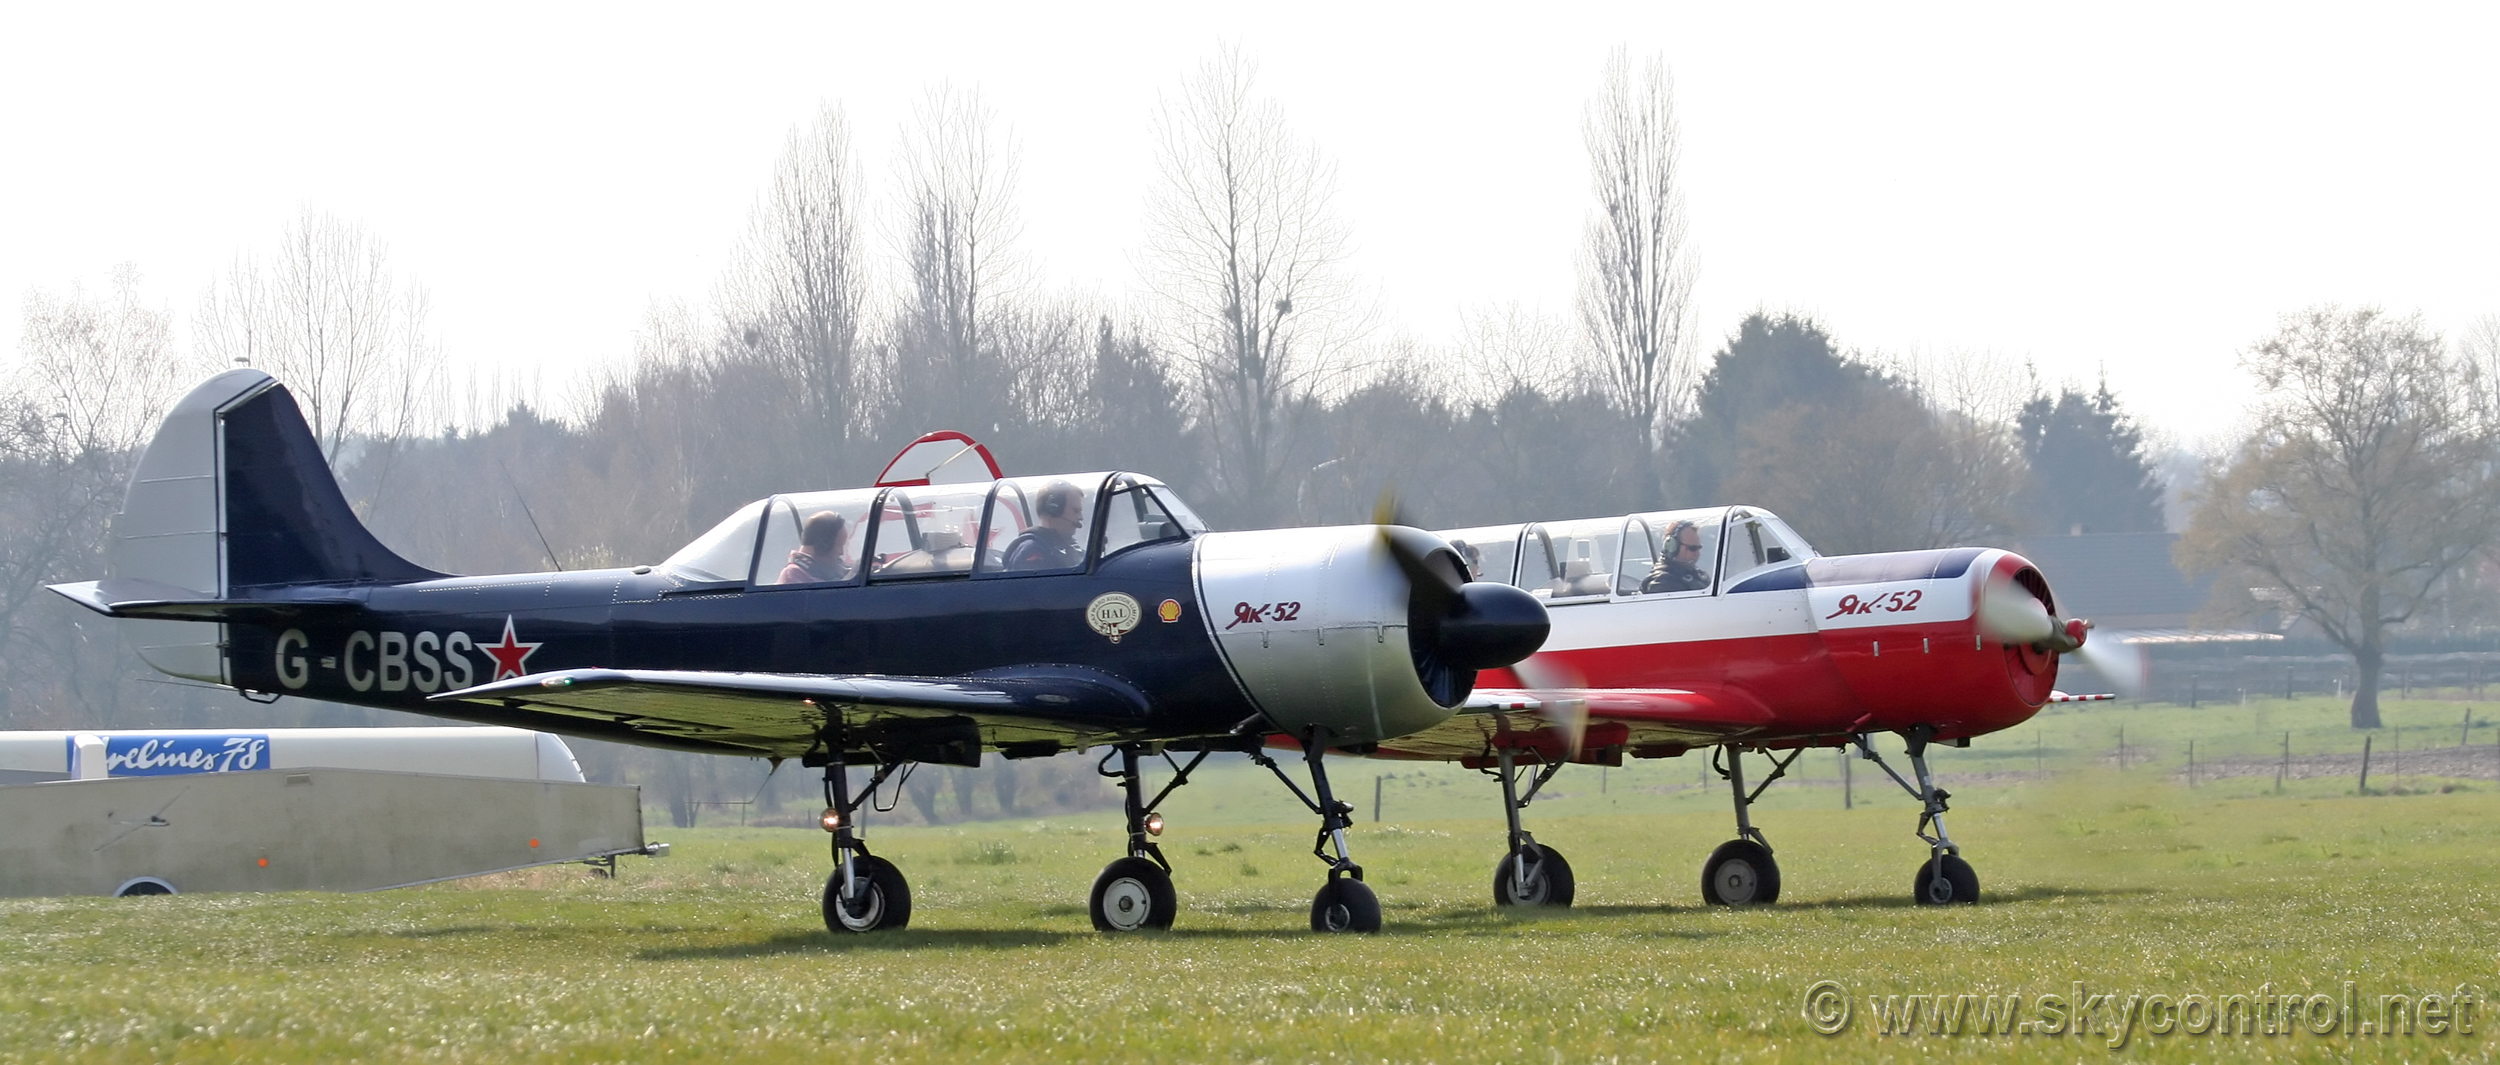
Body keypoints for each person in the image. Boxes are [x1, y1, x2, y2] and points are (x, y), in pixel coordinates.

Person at [1002, 481, 1086, 571]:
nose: (1081, 517)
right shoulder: (1033, 550)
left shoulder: (1069, 549)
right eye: (1075, 511)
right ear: (1054, 509)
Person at [778, 511, 854, 584]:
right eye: (839, 546)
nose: (841, 552)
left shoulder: (834, 568)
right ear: (823, 546)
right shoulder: (793, 576)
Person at [1640, 518, 1711, 593]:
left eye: (1699, 548)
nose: (1697, 553)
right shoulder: (1664, 583)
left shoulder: (1695, 575)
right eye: (1692, 548)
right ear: (1672, 546)